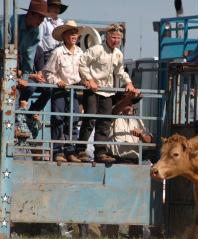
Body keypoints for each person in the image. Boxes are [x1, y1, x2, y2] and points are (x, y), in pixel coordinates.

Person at [77, 24, 140, 164]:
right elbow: (82, 62)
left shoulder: (118, 53)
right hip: (92, 89)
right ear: (106, 36)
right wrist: (89, 79)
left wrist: (129, 83)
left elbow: (120, 71)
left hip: (107, 91)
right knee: (90, 119)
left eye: (118, 38)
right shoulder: (97, 49)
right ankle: (80, 150)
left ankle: (100, 152)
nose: (115, 40)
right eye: (113, 37)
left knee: (104, 121)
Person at [42, 20, 83, 163]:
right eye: (71, 33)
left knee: (73, 120)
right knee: (58, 120)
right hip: (60, 91)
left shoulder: (80, 53)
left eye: (75, 33)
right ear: (64, 36)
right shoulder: (58, 52)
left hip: (74, 91)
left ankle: (70, 151)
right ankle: (58, 152)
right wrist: (57, 81)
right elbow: (47, 72)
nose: (74, 35)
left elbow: (83, 72)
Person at [35, 0, 68, 70]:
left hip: (60, 54)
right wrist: (40, 58)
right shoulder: (43, 21)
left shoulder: (61, 22)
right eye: (54, 7)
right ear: (48, 8)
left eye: (58, 7)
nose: (56, 9)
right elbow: (39, 40)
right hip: (47, 55)